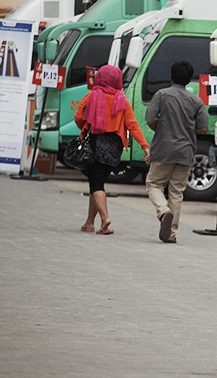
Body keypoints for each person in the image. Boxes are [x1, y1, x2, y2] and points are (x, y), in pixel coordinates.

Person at [74, 64, 150, 235]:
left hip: (95, 144)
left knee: (96, 184)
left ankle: (104, 219)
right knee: (97, 183)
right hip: (114, 148)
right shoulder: (122, 100)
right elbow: (132, 125)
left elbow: (78, 117)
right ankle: (89, 223)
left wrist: (85, 126)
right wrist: (145, 146)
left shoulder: (92, 96)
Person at [144, 60, 209, 243]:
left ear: (170, 77)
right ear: (189, 80)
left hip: (163, 149)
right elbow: (204, 129)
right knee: (176, 192)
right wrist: (188, 130)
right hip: (185, 152)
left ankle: (163, 211)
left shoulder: (161, 95)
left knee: (154, 184)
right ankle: (171, 234)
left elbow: (150, 119)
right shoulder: (196, 100)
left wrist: (163, 128)